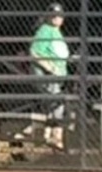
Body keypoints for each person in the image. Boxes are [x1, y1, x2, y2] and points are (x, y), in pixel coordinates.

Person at [29, 2, 71, 149]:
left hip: (59, 78)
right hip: (48, 77)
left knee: (58, 105)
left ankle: (49, 136)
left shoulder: (56, 32)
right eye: (54, 15)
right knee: (57, 103)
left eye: (59, 16)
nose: (57, 18)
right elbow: (34, 52)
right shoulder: (45, 30)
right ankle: (55, 138)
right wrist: (49, 67)